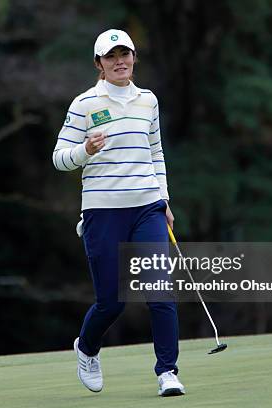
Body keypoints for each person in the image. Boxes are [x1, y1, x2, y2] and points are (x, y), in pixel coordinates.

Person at [52, 29, 184, 397]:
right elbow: (59, 158)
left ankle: (167, 372)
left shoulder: (148, 101)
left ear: (134, 58)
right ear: (99, 64)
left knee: (160, 292)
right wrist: (85, 150)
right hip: (103, 211)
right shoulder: (84, 104)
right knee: (112, 302)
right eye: (111, 57)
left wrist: (164, 199)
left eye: (125, 54)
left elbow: (156, 153)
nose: (119, 61)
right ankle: (87, 348)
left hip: (147, 208)